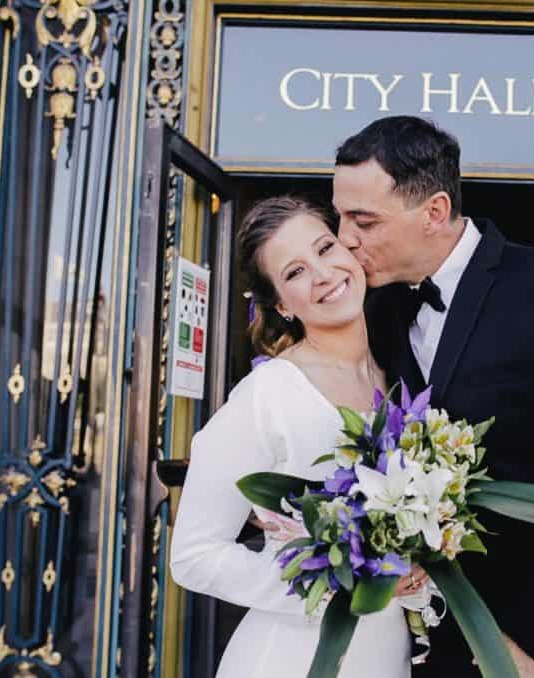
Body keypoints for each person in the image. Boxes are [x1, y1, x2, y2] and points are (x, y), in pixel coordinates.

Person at [332, 116, 534, 677]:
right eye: (340, 216)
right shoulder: (377, 312)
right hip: (435, 649)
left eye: (362, 220)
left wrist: (529, 645)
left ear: (435, 212)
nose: (344, 238)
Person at [169, 197, 427, 677]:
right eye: (295, 272)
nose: (324, 273)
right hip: (290, 658)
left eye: (326, 248)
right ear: (282, 305)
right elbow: (193, 556)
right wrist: (336, 581)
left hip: (386, 653)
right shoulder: (267, 395)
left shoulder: (402, 373)